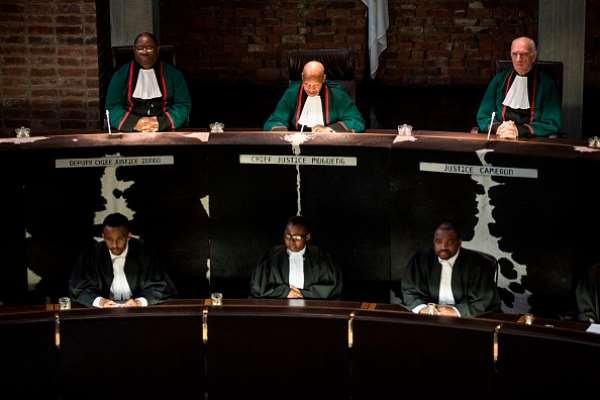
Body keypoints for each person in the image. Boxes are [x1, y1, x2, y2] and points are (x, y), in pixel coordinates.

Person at [69, 213, 176, 308]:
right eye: (109, 239)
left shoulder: (146, 253)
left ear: (128, 236)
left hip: (138, 314)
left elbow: (161, 287)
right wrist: (101, 302)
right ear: (103, 236)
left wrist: (138, 302)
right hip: (103, 315)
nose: (114, 245)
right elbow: (78, 288)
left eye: (119, 239)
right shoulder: (91, 254)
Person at [400, 222, 501, 318]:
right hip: (430, 319)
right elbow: (410, 291)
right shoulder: (420, 261)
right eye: (438, 241)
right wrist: (422, 308)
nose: (443, 246)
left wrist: (457, 311)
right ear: (433, 242)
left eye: (450, 242)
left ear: (459, 242)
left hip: (468, 321)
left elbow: (483, 298)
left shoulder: (478, 264)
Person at [476, 36, 561, 138]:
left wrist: (521, 130)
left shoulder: (546, 84)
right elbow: (483, 115)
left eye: (524, 54)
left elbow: (551, 123)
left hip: (532, 140)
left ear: (533, 57)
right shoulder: (499, 80)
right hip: (500, 135)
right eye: (514, 54)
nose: (518, 59)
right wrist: (498, 128)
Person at [106, 32, 191, 132]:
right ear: (134, 50)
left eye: (150, 47)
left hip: (164, 128)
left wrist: (161, 123)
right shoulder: (120, 75)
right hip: (131, 129)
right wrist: (134, 123)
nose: (145, 52)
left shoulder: (174, 74)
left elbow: (183, 104)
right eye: (140, 48)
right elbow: (112, 106)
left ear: (157, 49)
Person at [250, 216, 342, 299]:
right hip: (279, 309)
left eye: (297, 238)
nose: (291, 241)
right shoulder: (271, 257)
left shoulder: (321, 258)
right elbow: (258, 286)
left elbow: (332, 286)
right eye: (287, 236)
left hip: (312, 309)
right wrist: (285, 292)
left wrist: (304, 294)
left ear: (307, 237)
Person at [263, 60, 365, 133]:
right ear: (302, 77)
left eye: (316, 85)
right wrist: (283, 133)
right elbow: (274, 120)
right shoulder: (292, 94)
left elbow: (356, 121)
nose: (311, 89)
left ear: (323, 78)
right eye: (307, 85)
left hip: (329, 144)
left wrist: (330, 129)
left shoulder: (337, 95)